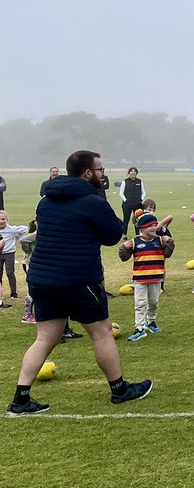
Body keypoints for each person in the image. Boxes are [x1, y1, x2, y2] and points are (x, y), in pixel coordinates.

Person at [7, 150, 152, 416]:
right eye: (100, 170)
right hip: (79, 279)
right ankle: (119, 389)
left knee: (44, 338)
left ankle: (21, 398)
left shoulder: (46, 201)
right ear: (88, 173)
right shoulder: (93, 202)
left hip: (42, 279)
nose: (103, 173)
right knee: (102, 332)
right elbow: (112, 235)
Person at [117, 212, 176, 341]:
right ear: (142, 228)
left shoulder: (160, 240)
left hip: (156, 278)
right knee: (140, 303)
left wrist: (170, 242)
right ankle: (139, 328)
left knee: (153, 302)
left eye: (155, 225)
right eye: (151, 226)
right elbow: (123, 257)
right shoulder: (134, 242)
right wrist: (124, 247)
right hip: (140, 279)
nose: (154, 228)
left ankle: (151, 322)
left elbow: (168, 254)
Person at [0, 211, 29, 306]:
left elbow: (25, 229)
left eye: (3, 219)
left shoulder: (11, 229)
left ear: (7, 220)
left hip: (9, 253)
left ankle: (13, 293)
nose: (1, 221)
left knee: (10, 273)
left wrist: (20, 237)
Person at [118, 167, 145, 238]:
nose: (133, 172)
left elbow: (143, 192)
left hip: (137, 204)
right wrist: (125, 200)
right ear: (129, 172)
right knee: (126, 219)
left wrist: (141, 199)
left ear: (136, 173)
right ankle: (124, 234)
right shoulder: (125, 181)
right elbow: (121, 193)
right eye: (131, 171)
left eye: (134, 171)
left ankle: (138, 234)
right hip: (127, 205)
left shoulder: (139, 181)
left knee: (137, 219)